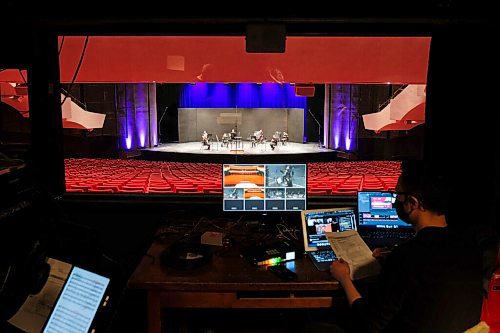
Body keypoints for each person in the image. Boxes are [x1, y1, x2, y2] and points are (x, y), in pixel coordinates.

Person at [326, 160, 487, 333]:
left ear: (412, 203)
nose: (396, 201)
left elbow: (368, 324)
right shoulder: (472, 248)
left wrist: (344, 278)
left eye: (398, 195)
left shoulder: (408, 256)